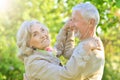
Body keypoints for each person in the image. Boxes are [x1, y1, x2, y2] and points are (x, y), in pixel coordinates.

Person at [55, 2, 105, 80]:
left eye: (75, 20)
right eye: (71, 20)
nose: (71, 24)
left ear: (91, 22)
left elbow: (66, 76)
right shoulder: (87, 43)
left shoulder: (91, 48)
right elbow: (68, 53)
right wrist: (68, 30)